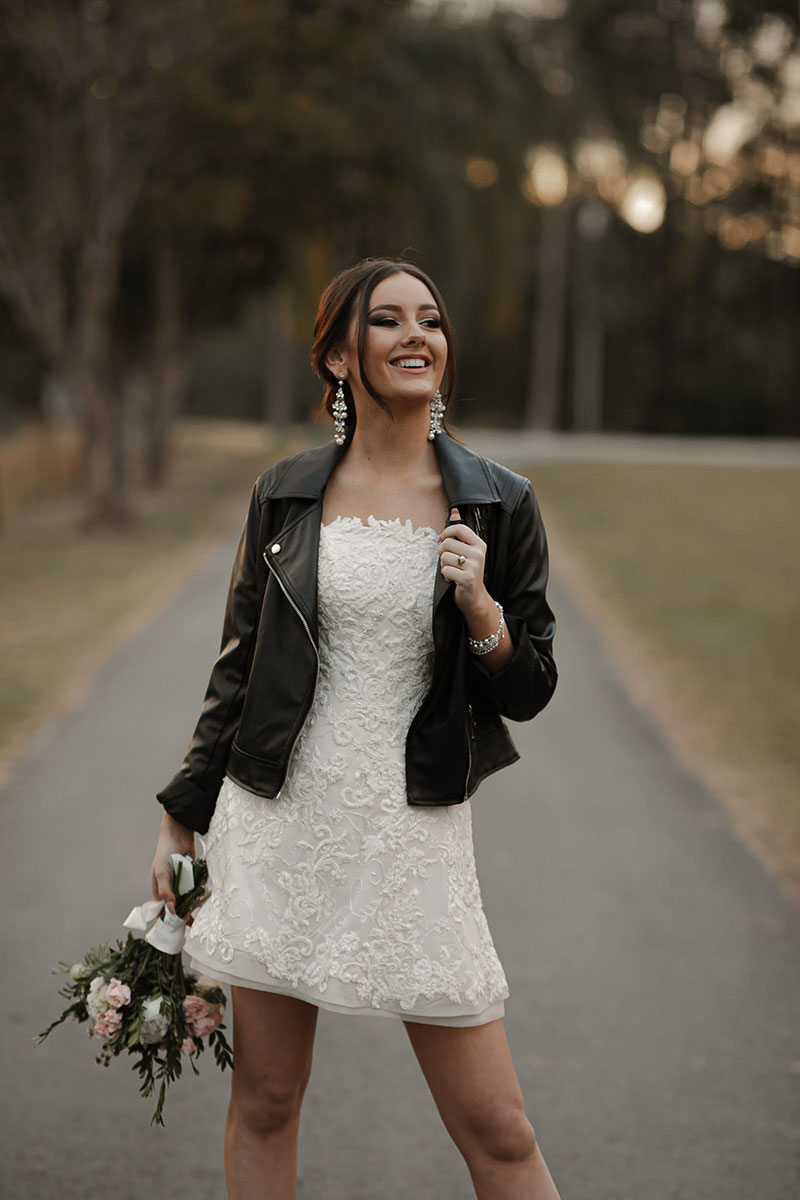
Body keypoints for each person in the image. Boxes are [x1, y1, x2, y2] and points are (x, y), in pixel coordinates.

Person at [151, 257, 560, 1199]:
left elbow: (530, 687)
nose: (418, 335)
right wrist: (183, 812)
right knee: (266, 1099)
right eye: (388, 321)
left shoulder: (501, 501)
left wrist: (482, 609)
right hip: (279, 823)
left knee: (498, 1129)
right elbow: (239, 668)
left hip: (414, 832)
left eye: (432, 319)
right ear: (340, 356)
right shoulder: (286, 494)